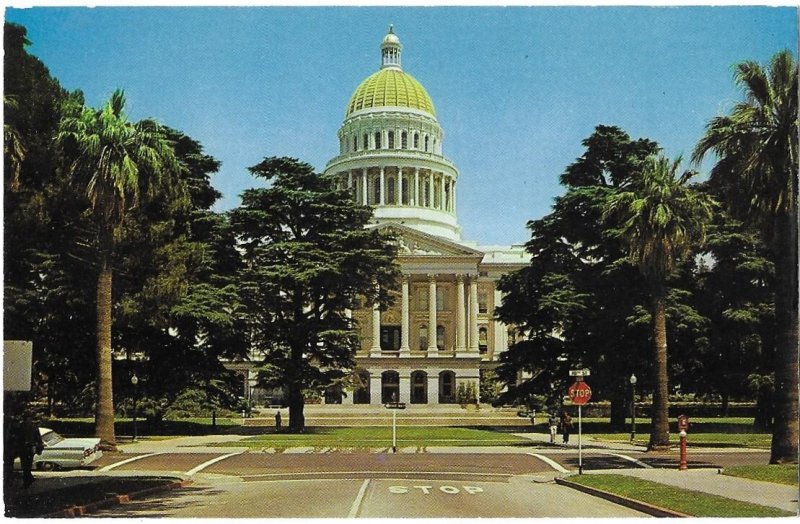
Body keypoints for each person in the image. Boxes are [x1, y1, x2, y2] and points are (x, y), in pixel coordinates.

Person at [19, 413, 43, 488]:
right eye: (28, 418)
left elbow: (38, 438)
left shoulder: (34, 427)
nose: (29, 420)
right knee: (25, 465)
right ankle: (29, 479)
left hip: (30, 447)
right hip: (23, 447)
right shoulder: (21, 426)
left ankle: (27, 481)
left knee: (28, 464)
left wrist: (39, 446)